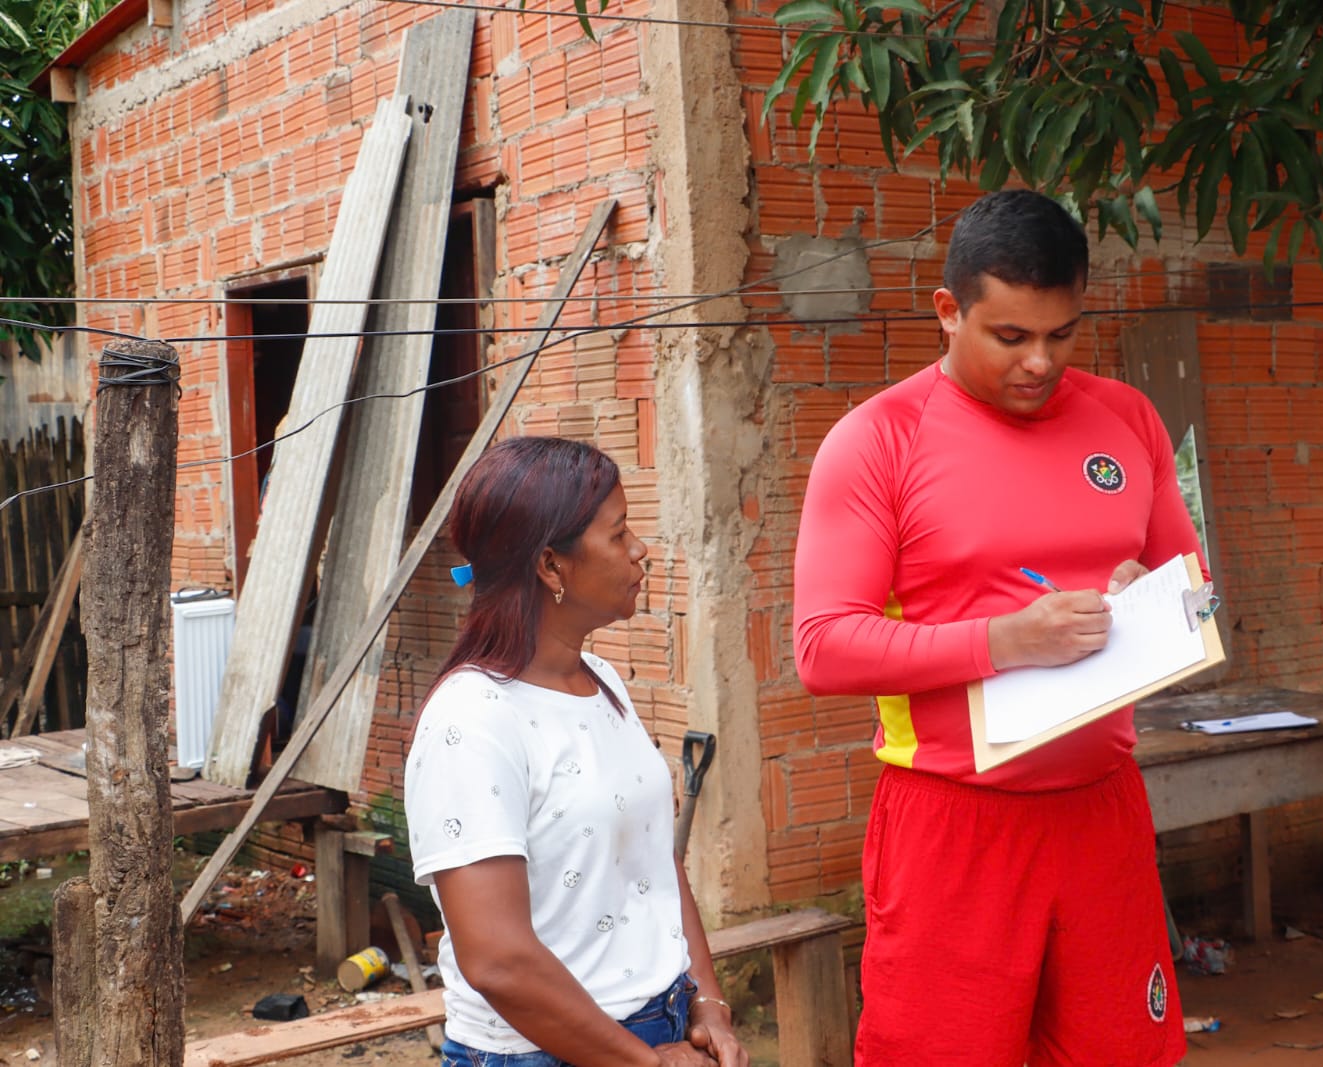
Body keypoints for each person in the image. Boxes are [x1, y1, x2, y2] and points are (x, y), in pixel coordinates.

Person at [793, 189, 1201, 1066]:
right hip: (953, 823)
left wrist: (1152, 595)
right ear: (949, 311)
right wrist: (1008, 640)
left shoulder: (1127, 420)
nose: (1039, 362)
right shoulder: (879, 441)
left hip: (1102, 811)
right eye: (1010, 336)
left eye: (1062, 334)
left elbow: (1194, 590)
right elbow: (823, 645)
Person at [405, 437, 748, 1067]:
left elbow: (654, 862)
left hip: (662, 1022)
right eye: (618, 534)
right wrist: (648, 1064)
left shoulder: (603, 682)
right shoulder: (473, 720)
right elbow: (498, 961)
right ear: (550, 566)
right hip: (542, 1051)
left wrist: (707, 1004)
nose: (639, 549)